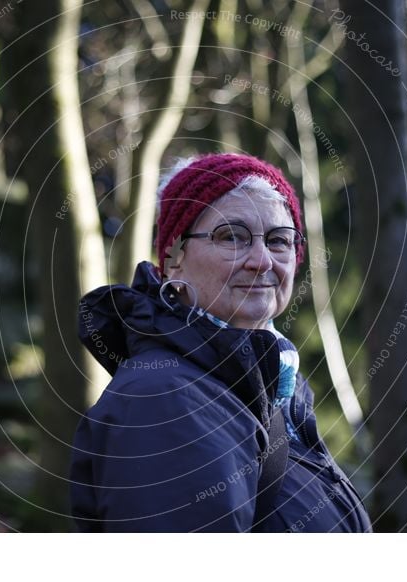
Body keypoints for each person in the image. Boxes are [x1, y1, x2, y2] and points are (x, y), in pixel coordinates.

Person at [70, 152, 371, 532]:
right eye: (232, 236)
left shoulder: (271, 389)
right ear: (174, 258)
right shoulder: (163, 399)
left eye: (279, 240)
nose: (262, 261)